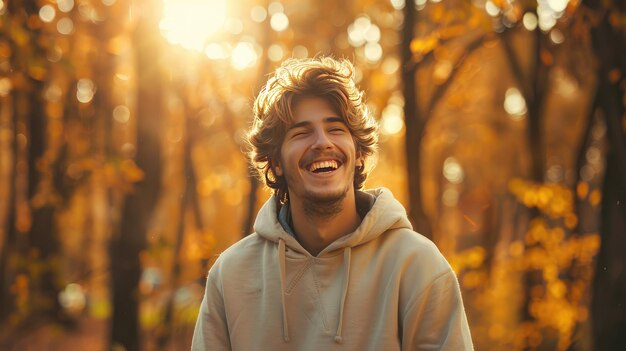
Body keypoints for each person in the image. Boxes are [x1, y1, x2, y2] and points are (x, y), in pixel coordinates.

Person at [192, 56, 473, 350]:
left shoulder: (417, 266)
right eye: (301, 133)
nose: (322, 142)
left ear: (359, 152)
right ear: (275, 163)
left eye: (336, 129)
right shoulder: (231, 275)